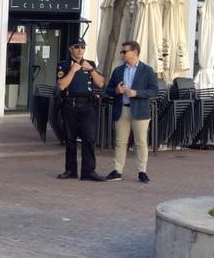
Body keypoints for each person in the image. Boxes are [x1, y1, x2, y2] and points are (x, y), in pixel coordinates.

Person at [104, 40, 159, 183]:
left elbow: (154, 91)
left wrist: (136, 93)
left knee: (140, 142)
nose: (122, 54)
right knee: (120, 142)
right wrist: (116, 90)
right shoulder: (118, 70)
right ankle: (117, 170)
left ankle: (142, 171)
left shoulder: (147, 70)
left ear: (134, 52)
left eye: (124, 51)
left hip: (140, 111)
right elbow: (108, 90)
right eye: (122, 52)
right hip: (122, 109)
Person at [55, 37, 106, 181]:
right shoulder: (63, 65)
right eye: (77, 47)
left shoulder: (90, 64)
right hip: (70, 103)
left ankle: (88, 171)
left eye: (82, 47)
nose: (80, 50)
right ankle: (70, 170)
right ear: (71, 49)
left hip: (87, 105)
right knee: (70, 139)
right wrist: (72, 70)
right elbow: (61, 85)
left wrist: (91, 70)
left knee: (89, 138)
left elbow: (101, 83)